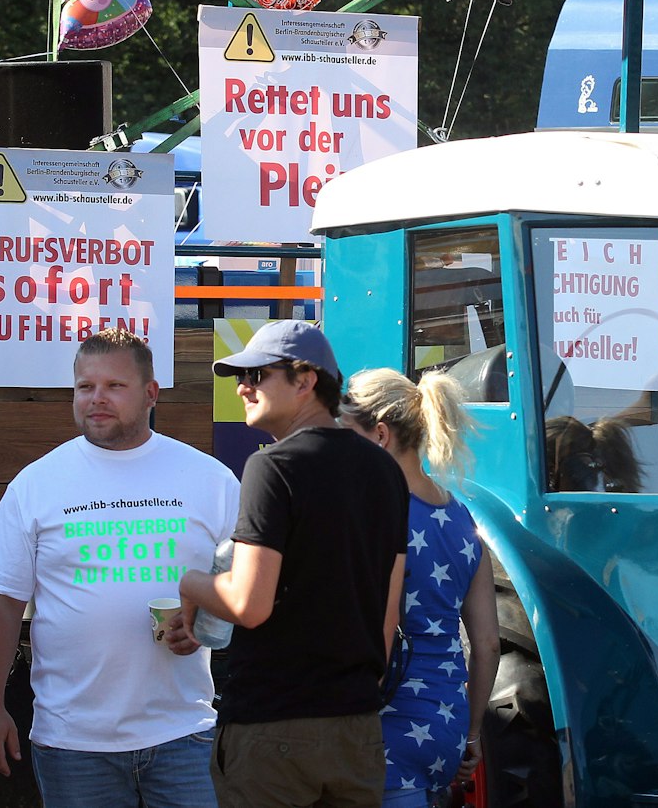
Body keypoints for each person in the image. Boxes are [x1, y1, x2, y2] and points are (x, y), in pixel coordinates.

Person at [0, 330, 239, 807]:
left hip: (185, 733)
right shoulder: (38, 483)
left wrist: (206, 626)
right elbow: (0, 600)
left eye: (115, 386)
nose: (97, 399)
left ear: (151, 393)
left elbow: (243, 582)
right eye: (84, 387)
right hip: (74, 743)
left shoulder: (209, 478)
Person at [179, 320, 408, 808]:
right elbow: (388, 614)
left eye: (258, 375)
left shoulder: (272, 466)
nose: (243, 388)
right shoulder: (385, 468)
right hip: (357, 730)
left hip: (273, 731)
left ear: (305, 381)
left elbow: (249, 603)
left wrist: (191, 584)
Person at [339, 369, 498, 808]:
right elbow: (486, 644)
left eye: (347, 436)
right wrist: (472, 733)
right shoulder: (463, 518)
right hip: (446, 724)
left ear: (380, 436)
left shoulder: (372, 514)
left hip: (384, 725)